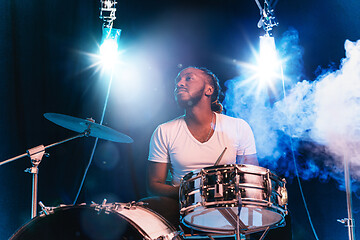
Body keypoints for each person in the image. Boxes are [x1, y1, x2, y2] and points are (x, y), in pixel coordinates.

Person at [143, 66, 290, 239]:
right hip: (182, 206)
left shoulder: (238, 127)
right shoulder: (164, 130)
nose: (179, 84)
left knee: (282, 218)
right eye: (178, 81)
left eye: (188, 78)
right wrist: (193, 192)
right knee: (147, 208)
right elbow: (153, 184)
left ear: (209, 90)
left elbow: (252, 182)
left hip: (228, 203)